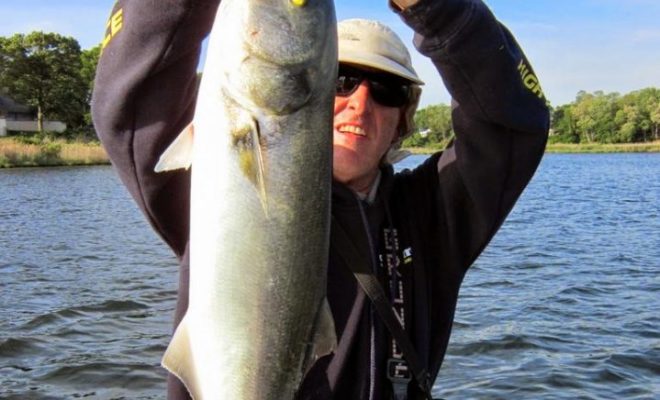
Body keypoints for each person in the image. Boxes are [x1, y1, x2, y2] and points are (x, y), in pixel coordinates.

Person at [92, 0, 549, 399]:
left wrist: (436, 7)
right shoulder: (210, 174)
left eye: (386, 90)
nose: (360, 103)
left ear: (404, 118)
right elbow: (129, 102)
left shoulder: (435, 213)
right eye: (342, 80)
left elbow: (515, 121)